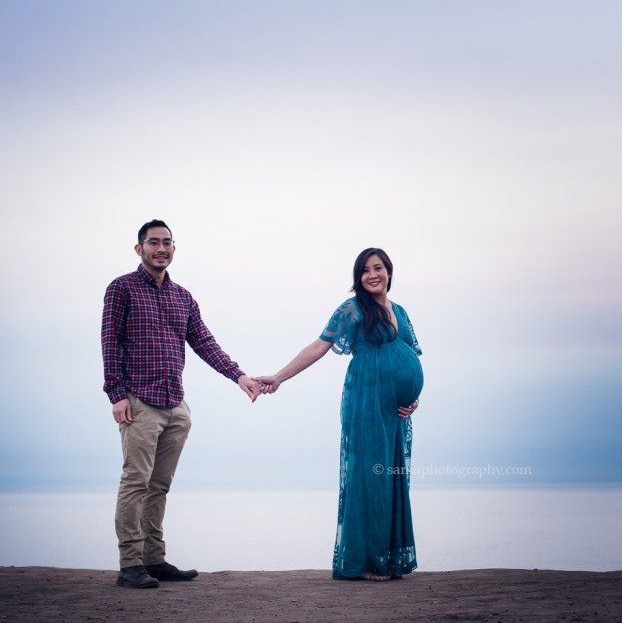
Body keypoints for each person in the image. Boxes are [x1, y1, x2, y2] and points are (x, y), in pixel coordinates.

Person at [101, 219, 261, 589]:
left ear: (174, 249)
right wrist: (116, 395)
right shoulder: (121, 289)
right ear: (139, 249)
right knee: (135, 482)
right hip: (139, 402)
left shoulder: (182, 296)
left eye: (167, 243)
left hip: (176, 405)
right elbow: (109, 343)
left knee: (159, 486)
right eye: (153, 242)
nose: (161, 248)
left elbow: (204, 342)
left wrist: (239, 377)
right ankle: (130, 564)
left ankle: (153, 559)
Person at [256, 247, 423, 581]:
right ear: (358, 278)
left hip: (395, 410)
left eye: (378, 268)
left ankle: (387, 557)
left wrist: (414, 397)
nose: (372, 275)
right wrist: (279, 376)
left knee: (390, 475)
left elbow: (410, 352)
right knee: (366, 475)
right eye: (364, 271)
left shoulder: (400, 311)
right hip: (366, 398)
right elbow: (319, 346)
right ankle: (363, 562)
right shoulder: (353, 308)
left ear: (389, 271)